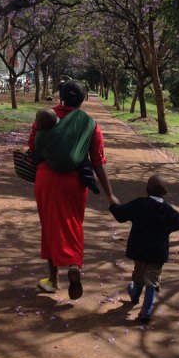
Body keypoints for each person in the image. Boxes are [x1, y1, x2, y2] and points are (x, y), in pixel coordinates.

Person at [28, 79, 120, 299]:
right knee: (73, 224)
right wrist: (109, 194)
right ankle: (74, 265)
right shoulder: (90, 124)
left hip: (47, 179)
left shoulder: (46, 117)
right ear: (83, 99)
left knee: (50, 225)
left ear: (61, 97)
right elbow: (97, 161)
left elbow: (33, 144)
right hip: (74, 182)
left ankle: (52, 279)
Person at [109, 174, 179, 323]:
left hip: (139, 251)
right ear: (165, 193)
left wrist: (113, 205)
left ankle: (134, 296)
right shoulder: (168, 210)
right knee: (152, 279)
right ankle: (146, 311)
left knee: (138, 276)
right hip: (157, 254)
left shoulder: (138, 204)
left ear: (146, 190)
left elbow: (120, 215)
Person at [34, 108, 100, 194]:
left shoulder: (39, 136)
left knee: (37, 157)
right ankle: (90, 181)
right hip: (72, 161)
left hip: (52, 163)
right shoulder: (62, 129)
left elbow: (37, 148)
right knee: (84, 162)